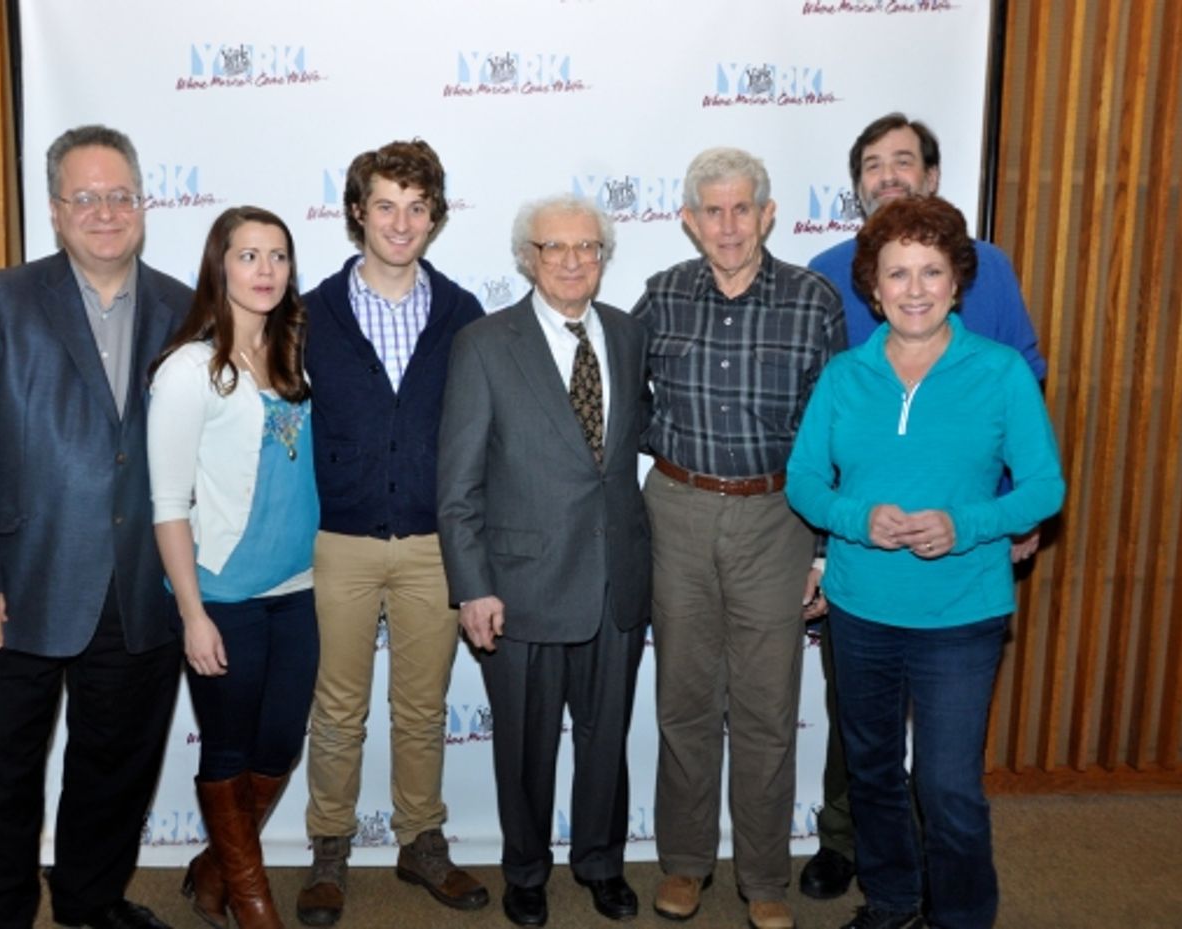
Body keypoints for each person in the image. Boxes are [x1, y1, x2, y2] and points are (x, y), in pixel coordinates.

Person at [0, 124, 191, 929]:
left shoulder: (184, 306)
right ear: (54, 209)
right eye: (86, 197)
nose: (105, 212)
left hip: (140, 586)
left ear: (142, 204)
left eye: (120, 196)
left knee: (116, 767)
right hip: (14, 584)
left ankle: (90, 899)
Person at [786, 195, 1065, 929]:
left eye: (931, 271)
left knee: (948, 788)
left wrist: (967, 523)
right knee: (873, 773)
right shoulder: (845, 376)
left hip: (962, 612)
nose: (914, 289)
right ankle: (893, 900)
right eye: (897, 273)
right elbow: (805, 480)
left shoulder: (1001, 372)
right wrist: (856, 518)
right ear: (872, 287)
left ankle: (963, 915)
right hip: (859, 606)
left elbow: (1044, 486)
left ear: (957, 282)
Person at [634, 147, 845, 929]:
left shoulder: (814, 299)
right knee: (683, 700)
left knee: (765, 706)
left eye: (740, 209)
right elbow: (630, 404)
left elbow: (834, 435)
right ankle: (685, 863)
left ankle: (763, 876)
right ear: (688, 220)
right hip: (679, 509)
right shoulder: (659, 297)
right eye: (711, 211)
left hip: (776, 517)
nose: (727, 226)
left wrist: (823, 547)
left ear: (767, 214)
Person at [437, 196, 651, 928]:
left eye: (587, 247)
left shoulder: (627, 334)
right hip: (519, 589)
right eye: (553, 247)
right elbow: (458, 484)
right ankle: (525, 870)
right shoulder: (485, 344)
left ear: (603, 256)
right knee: (525, 749)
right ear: (527, 257)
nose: (571, 260)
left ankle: (601, 862)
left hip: (617, 583)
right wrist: (473, 588)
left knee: (605, 742)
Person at [297, 139, 488, 926]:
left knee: (421, 705)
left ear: (435, 217)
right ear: (356, 212)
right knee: (337, 707)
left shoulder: (463, 312)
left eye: (417, 207)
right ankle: (330, 849)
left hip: (431, 544)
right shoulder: (308, 313)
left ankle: (421, 840)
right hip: (338, 541)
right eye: (385, 205)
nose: (401, 221)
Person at [147, 206, 319, 929]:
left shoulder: (293, 356)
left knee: (279, 745)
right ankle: (253, 901)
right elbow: (167, 502)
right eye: (248, 256)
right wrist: (193, 613)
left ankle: (212, 866)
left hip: (297, 589)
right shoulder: (188, 370)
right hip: (224, 595)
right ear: (220, 267)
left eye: (277, 256)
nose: (265, 270)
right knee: (228, 746)